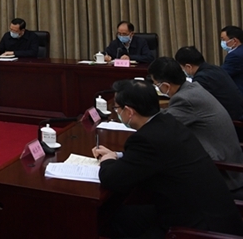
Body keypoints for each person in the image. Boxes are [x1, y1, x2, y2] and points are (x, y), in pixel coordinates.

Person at [93, 79, 243, 238]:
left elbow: (112, 179)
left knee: (110, 219)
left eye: (117, 108)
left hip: (196, 229)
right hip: (213, 214)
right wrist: (117, 155)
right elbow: (152, 157)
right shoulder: (167, 122)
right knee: (119, 215)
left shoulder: (147, 139)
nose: (116, 112)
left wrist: (107, 159)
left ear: (129, 112)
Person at [148, 57, 243, 196]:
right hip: (229, 160)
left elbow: (162, 126)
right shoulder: (192, 88)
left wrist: (140, 116)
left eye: (157, 84)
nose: (157, 88)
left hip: (223, 172)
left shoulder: (184, 99)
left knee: (162, 172)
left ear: (166, 85)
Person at [174, 46, 243, 123]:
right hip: (238, 112)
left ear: (188, 66)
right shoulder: (215, 68)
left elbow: (196, 105)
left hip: (231, 120)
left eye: (182, 68)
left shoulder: (201, 79)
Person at [220, 25, 243, 94]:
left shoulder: (235, 56)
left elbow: (222, 75)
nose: (222, 42)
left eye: (224, 40)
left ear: (234, 41)